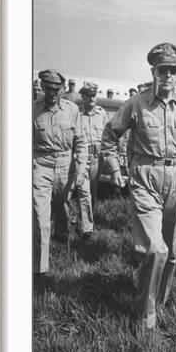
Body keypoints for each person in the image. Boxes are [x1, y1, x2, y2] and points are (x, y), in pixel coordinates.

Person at [101, 42, 176, 329]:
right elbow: (109, 135)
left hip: (174, 179)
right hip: (144, 176)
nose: (168, 76)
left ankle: (159, 301)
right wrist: (116, 168)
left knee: (171, 250)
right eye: (162, 70)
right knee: (156, 248)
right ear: (153, 72)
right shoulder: (137, 104)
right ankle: (145, 317)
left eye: (173, 71)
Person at [33, 70, 88, 274]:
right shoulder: (33, 109)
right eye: (48, 88)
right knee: (40, 216)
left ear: (62, 90)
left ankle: (63, 241)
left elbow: (81, 143)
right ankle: (40, 269)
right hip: (41, 164)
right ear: (42, 87)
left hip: (66, 165)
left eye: (56, 89)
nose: (52, 93)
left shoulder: (72, 110)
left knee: (62, 207)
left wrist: (81, 170)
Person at [77, 81, 108, 239]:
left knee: (93, 191)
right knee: (84, 191)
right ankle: (87, 228)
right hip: (82, 158)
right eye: (88, 96)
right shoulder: (77, 114)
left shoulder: (102, 114)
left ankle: (88, 218)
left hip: (97, 157)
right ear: (82, 97)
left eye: (94, 95)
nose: (91, 98)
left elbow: (108, 134)